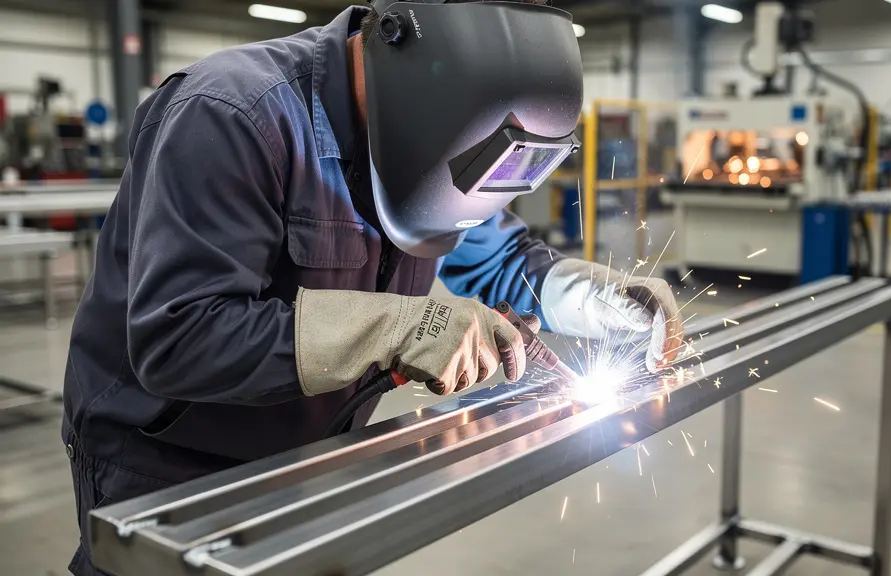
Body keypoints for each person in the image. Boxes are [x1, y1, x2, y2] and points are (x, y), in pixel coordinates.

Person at [61, 1, 683, 574]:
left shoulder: (455, 133)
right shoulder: (232, 114)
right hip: (165, 460)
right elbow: (180, 337)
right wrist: (398, 328)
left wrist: (584, 296)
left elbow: (493, 252)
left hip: (315, 449)